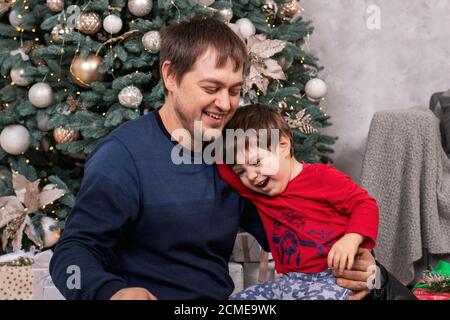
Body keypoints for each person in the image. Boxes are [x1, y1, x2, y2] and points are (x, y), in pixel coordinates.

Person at [49, 16, 395, 300]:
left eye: (234, 90)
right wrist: (110, 294)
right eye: (211, 88)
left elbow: (297, 221)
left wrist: (363, 268)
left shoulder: (236, 158)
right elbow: (72, 253)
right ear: (170, 75)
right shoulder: (122, 156)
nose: (226, 104)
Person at [217, 104, 379, 300]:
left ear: (283, 146)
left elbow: (364, 204)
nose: (251, 175)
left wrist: (351, 239)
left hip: (332, 278)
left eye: (256, 162)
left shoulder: (322, 177)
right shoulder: (258, 191)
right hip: (289, 281)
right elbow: (221, 164)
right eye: (241, 171)